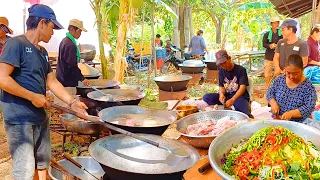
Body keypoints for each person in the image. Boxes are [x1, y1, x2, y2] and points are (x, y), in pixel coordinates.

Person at [0, 4, 88, 180]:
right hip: (20, 121)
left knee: (42, 164)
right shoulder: (15, 44)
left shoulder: (43, 52)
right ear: (41, 23)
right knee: (24, 170)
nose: (53, 32)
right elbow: (3, 78)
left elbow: (52, 81)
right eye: (52, 27)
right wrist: (32, 96)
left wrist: (72, 102)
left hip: (40, 118)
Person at [267, 54, 317, 122]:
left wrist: (291, 114)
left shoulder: (308, 87)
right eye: (288, 73)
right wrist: (273, 103)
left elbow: (309, 107)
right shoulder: (279, 80)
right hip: (278, 119)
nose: (291, 76)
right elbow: (270, 93)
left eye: (295, 73)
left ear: (302, 70)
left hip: (298, 123)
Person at [203, 50, 250, 116]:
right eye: (221, 64)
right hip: (227, 96)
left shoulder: (241, 70)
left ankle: (234, 106)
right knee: (206, 97)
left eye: (224, 62)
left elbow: (243, 87)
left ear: (229, 58)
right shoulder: (221, 71)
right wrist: (221, 94)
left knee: (244, 112)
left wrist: (233, 99)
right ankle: (229, 106)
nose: (223, 65)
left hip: (239, 97)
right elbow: (221, 86)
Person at [56, 19, 89, 87]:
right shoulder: (70, 45)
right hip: (67, 80)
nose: (80, 34)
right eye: (79, 31)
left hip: (62, 76)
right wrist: (82, 78)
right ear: (72, 29)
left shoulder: (65, 40)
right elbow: (72, 65)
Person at [262, 17, 283, 87]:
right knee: (268, 73)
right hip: (269, 56)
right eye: (274, 23)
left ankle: (278, 87)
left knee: (279, 72)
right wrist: (270, 45)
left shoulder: (281, 34)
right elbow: (264, 44)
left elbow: (284, 42)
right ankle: (268, 87)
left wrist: (278, 45)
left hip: (278, 57)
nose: (276, 24)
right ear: (271, 24)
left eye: (277, 23)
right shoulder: (267, 34)